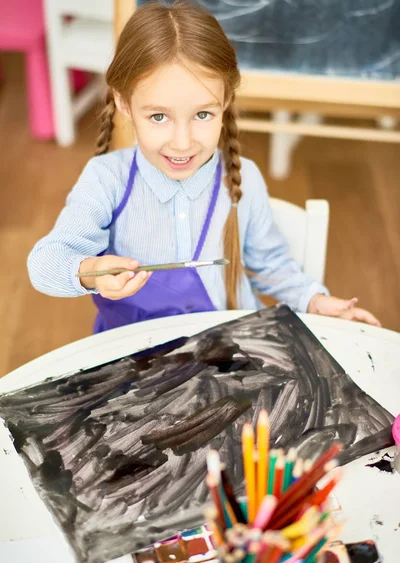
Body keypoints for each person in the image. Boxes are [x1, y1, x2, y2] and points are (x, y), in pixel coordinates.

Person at [27, 1, 381, 333]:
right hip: (135, 364)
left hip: (229, 353)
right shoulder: (107, 180)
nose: (182, 142)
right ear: (123, 102)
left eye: (202, 114)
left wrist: (314, 300)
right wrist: (87, 271)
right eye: (159, 116)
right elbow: (44, 263)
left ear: (225, 100)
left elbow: (271, 265)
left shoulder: (244, 179)